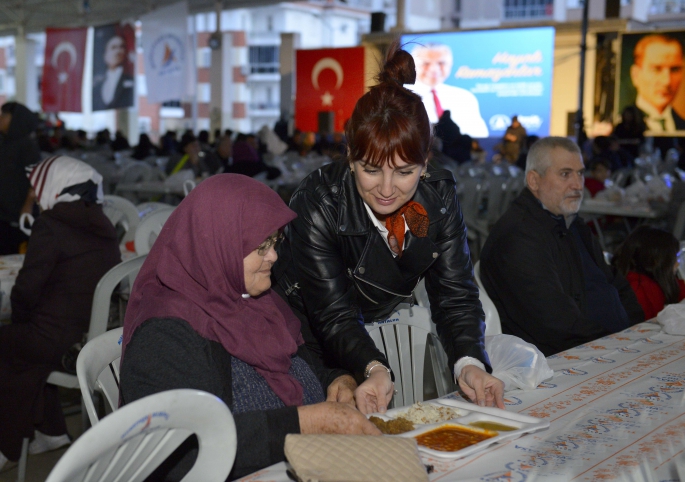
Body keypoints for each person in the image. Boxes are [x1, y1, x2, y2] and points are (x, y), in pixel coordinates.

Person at [273, 42, 504, 413]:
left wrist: (469, 363)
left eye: (405, 172)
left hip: (362, 327)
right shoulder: (319, 201)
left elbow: (455, 294)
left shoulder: (438, 197)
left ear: (425, 163)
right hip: (299, 332)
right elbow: (332, 314)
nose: (385, 189)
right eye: (370, 169)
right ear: (350, 158)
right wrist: (374, 366)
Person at [119, 174, 380, 480]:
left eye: (275, 241)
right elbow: (185, 447)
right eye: (261, 246)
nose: (273, 255)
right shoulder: (165, 335)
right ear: (217, 245)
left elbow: (298, 370)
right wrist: (305, 423)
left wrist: (339, 382)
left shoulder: (256, 302)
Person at [0, 156, 121, 469]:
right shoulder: (103, 223)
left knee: (13, 345)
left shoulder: (51, 224)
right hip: (90, 340)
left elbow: (26, 290)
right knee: (27, 351)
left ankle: (7, 446)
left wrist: (21, 319)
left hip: (55, 339)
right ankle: (51, 431)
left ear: (55, 187)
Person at [480, 137, 644, 357]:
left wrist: (637, 332)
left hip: (612, 346)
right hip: (568, 360)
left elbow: (614, 283)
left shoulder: (570, 222)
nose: (577, 184)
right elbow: (556, 323)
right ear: (534, 181)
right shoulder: (518, 237)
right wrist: (618, 345)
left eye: (580, 173)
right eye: (565, 174)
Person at [407, 43, 488, 138]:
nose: (434, 69)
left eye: (441, 63)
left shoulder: (464, 97)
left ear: (450, 65)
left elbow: (480, 134)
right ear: (413, 65)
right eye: (426, 63)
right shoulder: (403, 95)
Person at [613, 226, 685, 320]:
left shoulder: (653, 281)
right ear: (656, 261)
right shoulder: (638, 288)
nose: (677, 263)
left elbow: (677, 290)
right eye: (674, 258)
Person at [0, 102, 41, 255]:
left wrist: (28, 204)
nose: (0, 119)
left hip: (20, 210)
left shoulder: (27, 145)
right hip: (3, 211)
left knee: (17, 254)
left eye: (4, 116)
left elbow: (36, 177)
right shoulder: (3, 142)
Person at [629, 34, 685, 133]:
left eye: (675, 69)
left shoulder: (682, 125)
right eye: (656, 69)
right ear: (635, 75)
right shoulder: (623, 125)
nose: (667, 81)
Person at [92, 32, 135, 111]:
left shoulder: (132, 80)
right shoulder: (97, 84)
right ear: (105, 54)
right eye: (113, 47)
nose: (118, 51)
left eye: (121, 47)